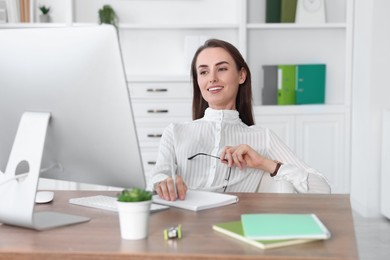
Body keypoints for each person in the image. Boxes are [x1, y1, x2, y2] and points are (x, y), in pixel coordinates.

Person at [150, 39, 330, 201]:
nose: (212, 78)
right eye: (204, 72)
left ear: (241, 75)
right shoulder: (175, 132)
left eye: (221, 69)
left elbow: (322, 189)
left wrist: (264, 163)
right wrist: (163, 183)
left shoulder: (262, 138)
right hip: (182, 228)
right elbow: (156, 179)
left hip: (234, 228)